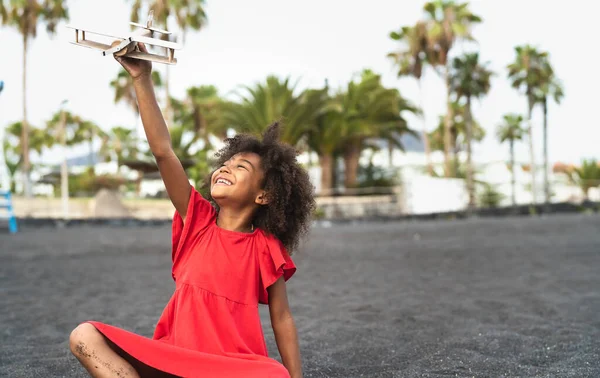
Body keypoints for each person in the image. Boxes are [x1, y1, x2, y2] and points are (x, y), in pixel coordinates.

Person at [69, 43, 316, 378]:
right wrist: (142, 78)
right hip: (173, 359)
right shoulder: (196, 220)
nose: (225, 169)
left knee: (275, 375)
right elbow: (163, 152)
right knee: (84, 335)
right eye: (225, 163)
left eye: (240, 167)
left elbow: (282, 319)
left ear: (265, 195)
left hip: (231, 367)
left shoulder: (265, 248)